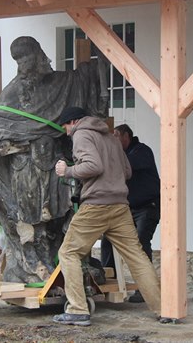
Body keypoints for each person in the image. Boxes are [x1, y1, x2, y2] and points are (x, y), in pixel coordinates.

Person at [0, 36, 108, 283]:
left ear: (39, 56)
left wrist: (93, 67)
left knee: (61, 215)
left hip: (56, 164)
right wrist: (5, 142)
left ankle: (66, 260)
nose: (26, 65)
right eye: (20, 61)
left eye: (29, 58)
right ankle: (34, 264)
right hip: (26, 167)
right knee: (33, 218)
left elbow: (81, 80)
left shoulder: (62, 82)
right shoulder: (13, 92)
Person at [53, 107, 165, 326]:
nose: (66, 131)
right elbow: (127, 172)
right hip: (120, 205)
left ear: (74, 121)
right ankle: (163, 308)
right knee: (137, 257)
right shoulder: (111, 137)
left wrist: (67, 171)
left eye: (65, 126)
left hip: (96, 204)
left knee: (68, 252)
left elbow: (93, 166)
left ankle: (77, 310)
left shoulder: (82, 134)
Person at [100, 123, 160, 303]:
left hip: (147, 207)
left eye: (116, 135)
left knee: (141, 242)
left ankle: (145, 289)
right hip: (127, 208)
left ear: (126, 136)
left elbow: (126, 167)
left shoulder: (141, 151)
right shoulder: (122, 155)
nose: (114, 139)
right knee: (108, 240)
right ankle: (108, 282)